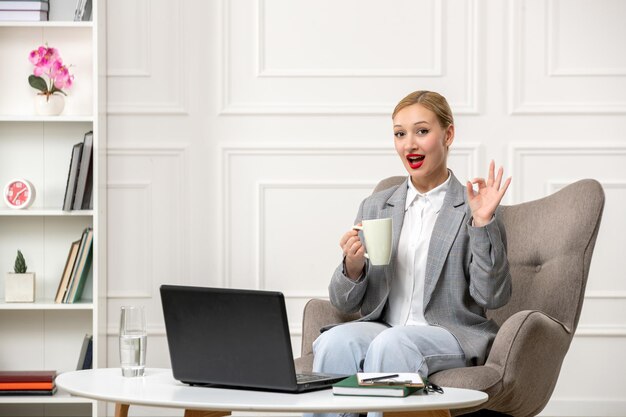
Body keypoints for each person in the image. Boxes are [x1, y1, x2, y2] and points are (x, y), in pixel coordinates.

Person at [311, 91, 512, 414]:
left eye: (422, 131)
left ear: (448, 134)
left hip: (449, 332)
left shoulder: (471, 207)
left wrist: (482, 222)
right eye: (400, 134)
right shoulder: (376, 205)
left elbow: (492, 296)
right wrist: (353, 265)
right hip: (385, 326)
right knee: (337, 341)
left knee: (394, 344)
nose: (409, 145)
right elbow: (343, 302)